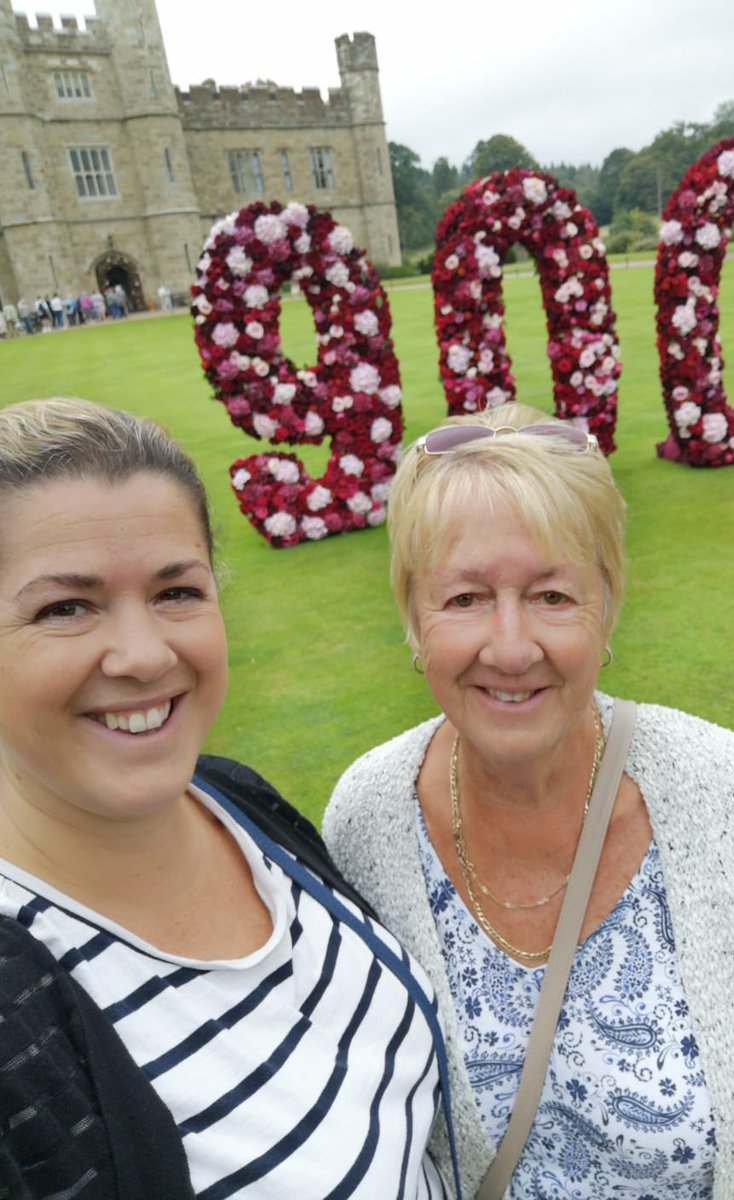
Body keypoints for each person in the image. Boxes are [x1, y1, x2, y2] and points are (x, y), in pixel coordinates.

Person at [324, 402, 734, 1200]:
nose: (513, 645)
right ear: (414, 619)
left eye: (553, 596)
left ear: (608, 605)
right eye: (464, 599)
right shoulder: (366, 817)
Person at [0, 397, 453, 1200]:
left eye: (176, 591)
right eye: (65, 608)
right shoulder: (17, 1009)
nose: (143, 655)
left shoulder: (236, 799)